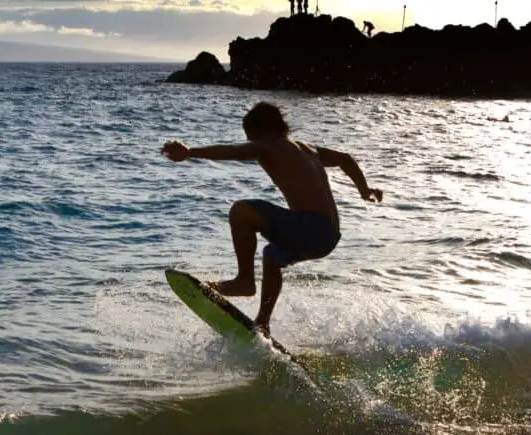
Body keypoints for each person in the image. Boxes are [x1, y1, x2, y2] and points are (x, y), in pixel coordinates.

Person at [160, 101, 383, 338]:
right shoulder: (307, 148)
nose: (251, 143)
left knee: (241, 211)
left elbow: (235, 152)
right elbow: (345, 159)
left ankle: (244, 281)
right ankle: (263, 323)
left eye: (251, 137)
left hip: (312, 228)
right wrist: (364, 190)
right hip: (328, 236)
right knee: (273, 255)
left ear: (260, 132)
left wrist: (191, 152)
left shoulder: (270, 146)